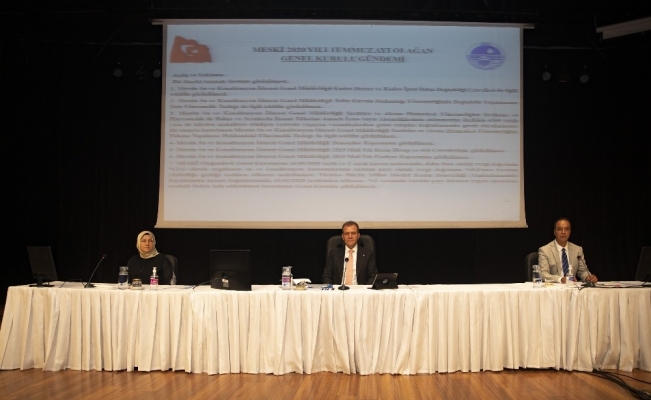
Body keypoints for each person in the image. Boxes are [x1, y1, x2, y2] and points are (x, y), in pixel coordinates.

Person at [538, 217, 598, 284]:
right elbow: (543, 274)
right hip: (554, 287)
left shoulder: (577, 249)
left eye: (566, 229)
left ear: (570, 232)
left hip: (572, 286)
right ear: (554, 232)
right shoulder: (545, 250)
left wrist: (588, 277)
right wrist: (560, 279)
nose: (563, 232)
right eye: (559, 229)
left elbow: (582, 271)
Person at [322, 221, 378, 285]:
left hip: (360, 290)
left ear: (358, 236)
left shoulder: (368, 254)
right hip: (339, 290)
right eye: (347, 234)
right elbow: (326, 276)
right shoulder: (334, 254)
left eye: (353, 233)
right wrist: (332, 289)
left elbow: (373, 276)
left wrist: (364, 290)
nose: (350, 236)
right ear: (343, 236)